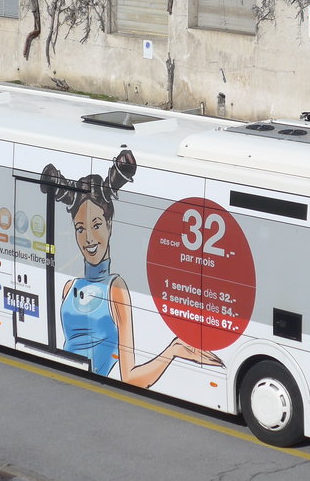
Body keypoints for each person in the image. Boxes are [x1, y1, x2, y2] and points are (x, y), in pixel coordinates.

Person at [41, 150, 223, 387]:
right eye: (80, 228)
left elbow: (130, 377)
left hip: (86, 388)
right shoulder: (69, 287)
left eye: (96, 225)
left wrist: (172, 351)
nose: (88, 238)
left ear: (109, 226)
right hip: (64, 383)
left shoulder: (115, 288)